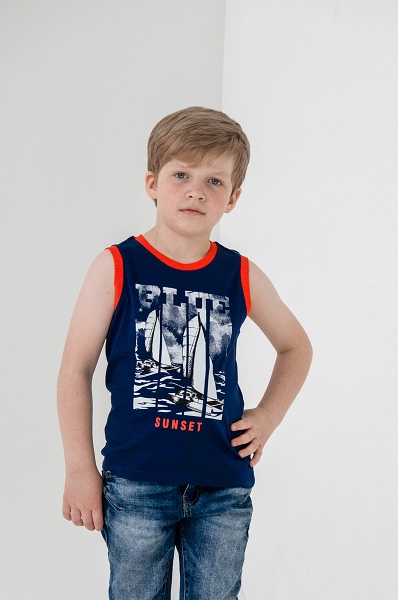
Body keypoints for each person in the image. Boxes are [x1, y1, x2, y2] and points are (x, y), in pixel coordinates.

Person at [57, 106, 313, 599]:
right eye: (181, 175)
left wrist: (268, 416)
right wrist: (79, 468)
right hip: (136, 483)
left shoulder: (240, 275)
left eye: (214, 181)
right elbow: (75, 370)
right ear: (152, 183)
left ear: (232, 199)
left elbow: (296, 346)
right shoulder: (116, 266)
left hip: (222, 486)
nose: (196, 191)